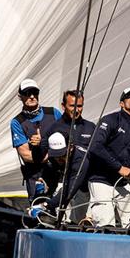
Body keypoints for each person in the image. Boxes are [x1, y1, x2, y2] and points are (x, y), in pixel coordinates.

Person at [87, 86, 130, 227]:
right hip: (101, 180)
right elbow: (95, 146)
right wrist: (118, 167)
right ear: (121, 103)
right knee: (106, 226)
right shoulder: (110, 120)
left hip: (122, 183)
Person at [40, 90, 95, 221]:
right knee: (61, 224)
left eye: (80, 106)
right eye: (72, 106)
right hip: (61, 183)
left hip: (84, 187)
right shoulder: (54, 128)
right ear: (63, 106)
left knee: (79, 224)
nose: (76, 110)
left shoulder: (91, 127)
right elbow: (42, 156)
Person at [10, 79, 62, 199]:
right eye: (28, 93)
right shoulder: (17, 122)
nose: (32, 96)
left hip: (59, 174)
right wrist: (54, 153)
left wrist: (43, 143)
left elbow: (67, 139)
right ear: (20, 96)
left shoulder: (54, 113)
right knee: (41, 214)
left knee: (67, 213)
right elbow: (26, 155)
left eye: (35, 92)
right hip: (36, 179)